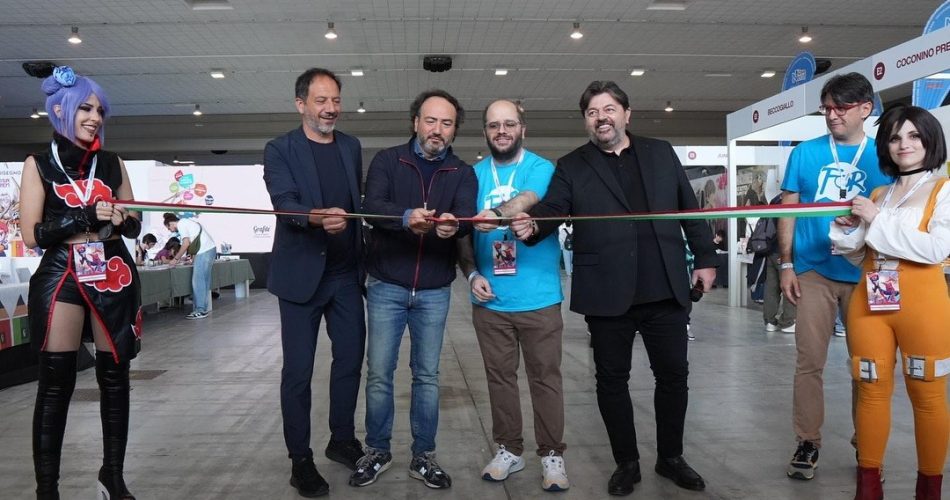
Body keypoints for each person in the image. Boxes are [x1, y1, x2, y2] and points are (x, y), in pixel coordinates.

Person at [511, 81, 717, 496]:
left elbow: (689, 209)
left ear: (626, 113)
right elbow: (554, 208)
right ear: (586, 121)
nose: (601, 118)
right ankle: (627, 463)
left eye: (608, 109)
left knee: (674, 377)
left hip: (664, 287)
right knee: (611, 381)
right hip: (607, 293)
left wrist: (706, 259)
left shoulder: (660, 152)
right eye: (592, 112)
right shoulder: (573, 165)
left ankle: (671, 457)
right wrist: (532, 226)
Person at [19, 66, 142, 500]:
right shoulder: (37, 164)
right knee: (56, 383)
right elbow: (31, 234)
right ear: (60, 110)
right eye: (85, 109)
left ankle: (113, 475)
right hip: (62, 272)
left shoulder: (112, 162)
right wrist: (81, 217)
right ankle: (47, 489)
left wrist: (123, 219)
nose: (95, 117)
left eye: (100, 110)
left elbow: (134, 220)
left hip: (112, 268)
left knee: (116, 377)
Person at [350, 89, 477, 490]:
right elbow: (373, 207)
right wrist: (407, 217)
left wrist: (454, 225)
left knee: (427, 376)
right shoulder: (388, 160)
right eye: (431, 120)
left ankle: (423, 455)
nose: (437, 129)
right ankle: (377, 450)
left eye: (446, 123)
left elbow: (467, 216)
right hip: (386, 284)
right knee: (379, 373)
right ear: (415, 122)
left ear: (454, 130)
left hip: (435, 289)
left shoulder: (462, 172)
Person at [829, 105, 950, 499]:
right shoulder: (879, 194)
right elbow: (862, 255)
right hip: (871, 303)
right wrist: (850, 229)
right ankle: (867, 488)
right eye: (895, 137)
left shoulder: (944, 190)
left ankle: (929, 490)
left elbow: (936, 249)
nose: (904, 144)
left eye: (914, 135)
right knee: (870, 389)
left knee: (928, 395)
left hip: (924, 306)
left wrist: (876, 219)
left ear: (931, 139)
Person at [777, 72, 890, 481]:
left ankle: (867, 440)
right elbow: (787, 210)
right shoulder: (804, 153)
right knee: (809, 361)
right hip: (813, 269)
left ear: (866, 108)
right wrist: (786, 264)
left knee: (868, 363)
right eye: (826, 108)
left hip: (867, 272)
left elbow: (895, 214)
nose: (832, 115)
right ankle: (808, 441)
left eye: (841, 107)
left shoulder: (884, 156)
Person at [262, 67, 366, 498]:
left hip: (345, 277)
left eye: (336, 100)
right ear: (301, 103)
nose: (330, 109)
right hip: (301, 280)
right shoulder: (280, 149)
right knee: (298, 373)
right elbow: (284, 204)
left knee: (350, 362)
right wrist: (317, 218)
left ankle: (341, 439)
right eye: (321, 100)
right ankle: (300, 460)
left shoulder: (351, 146)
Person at [455, 99, 569, 491]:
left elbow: (529, 199)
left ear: (522, 128)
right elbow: (463, 234)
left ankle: (552, 454)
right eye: (493, 125)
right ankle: (509, 449)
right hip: (490, 302)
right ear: (485, 132)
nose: (501, 131)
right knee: (499, 379)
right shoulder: (472, 176)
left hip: (539, 299)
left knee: (545, 379)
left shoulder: (542, 167)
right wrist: (471, 274)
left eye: (509, 124)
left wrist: (498, 214)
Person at [162, 213, 216, 320]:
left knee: (198, 282)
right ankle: (202, 308)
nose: (171, 231)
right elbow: (195, 242)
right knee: (204, 281)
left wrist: (175, 259)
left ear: (170, 223)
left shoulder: (181, 224)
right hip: (209, 250)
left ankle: (200, 310)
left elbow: (186, 244)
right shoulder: (188, 222)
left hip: (204, 251)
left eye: (169, 228)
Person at [762, 194, 796, 333]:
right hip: (786, 250)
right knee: (788, 285)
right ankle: (788, 321)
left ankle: (769, 321)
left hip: (771, 250)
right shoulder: (793, 200)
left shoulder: (775, 200)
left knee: (771, 287)